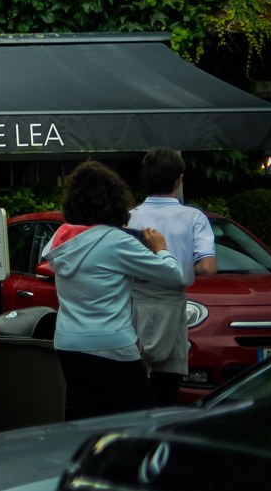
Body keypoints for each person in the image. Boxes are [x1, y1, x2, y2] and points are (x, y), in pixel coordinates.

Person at [41, 160, 185, 420]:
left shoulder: (59, 238)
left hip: (68, 344)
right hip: (112, 345)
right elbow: (173, 276)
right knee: (140, 423)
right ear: (115, 200)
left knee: (90, 420)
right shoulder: (115, 241)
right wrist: (161, 248)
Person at [128, 148, 218, 407]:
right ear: (179, 178)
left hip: (135, 310)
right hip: (172, 309)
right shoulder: (193, 218)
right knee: (167, 396)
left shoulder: (130, 218)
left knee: (137, 394)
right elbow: (208, 268)